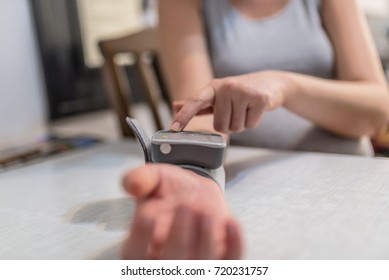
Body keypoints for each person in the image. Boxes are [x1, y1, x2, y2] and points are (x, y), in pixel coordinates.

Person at [121, 0, 389, 259]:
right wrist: (198, 180)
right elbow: (198, 116)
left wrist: (284, 86)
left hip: (349, 184)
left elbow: (376, 111)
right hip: (254, 194)